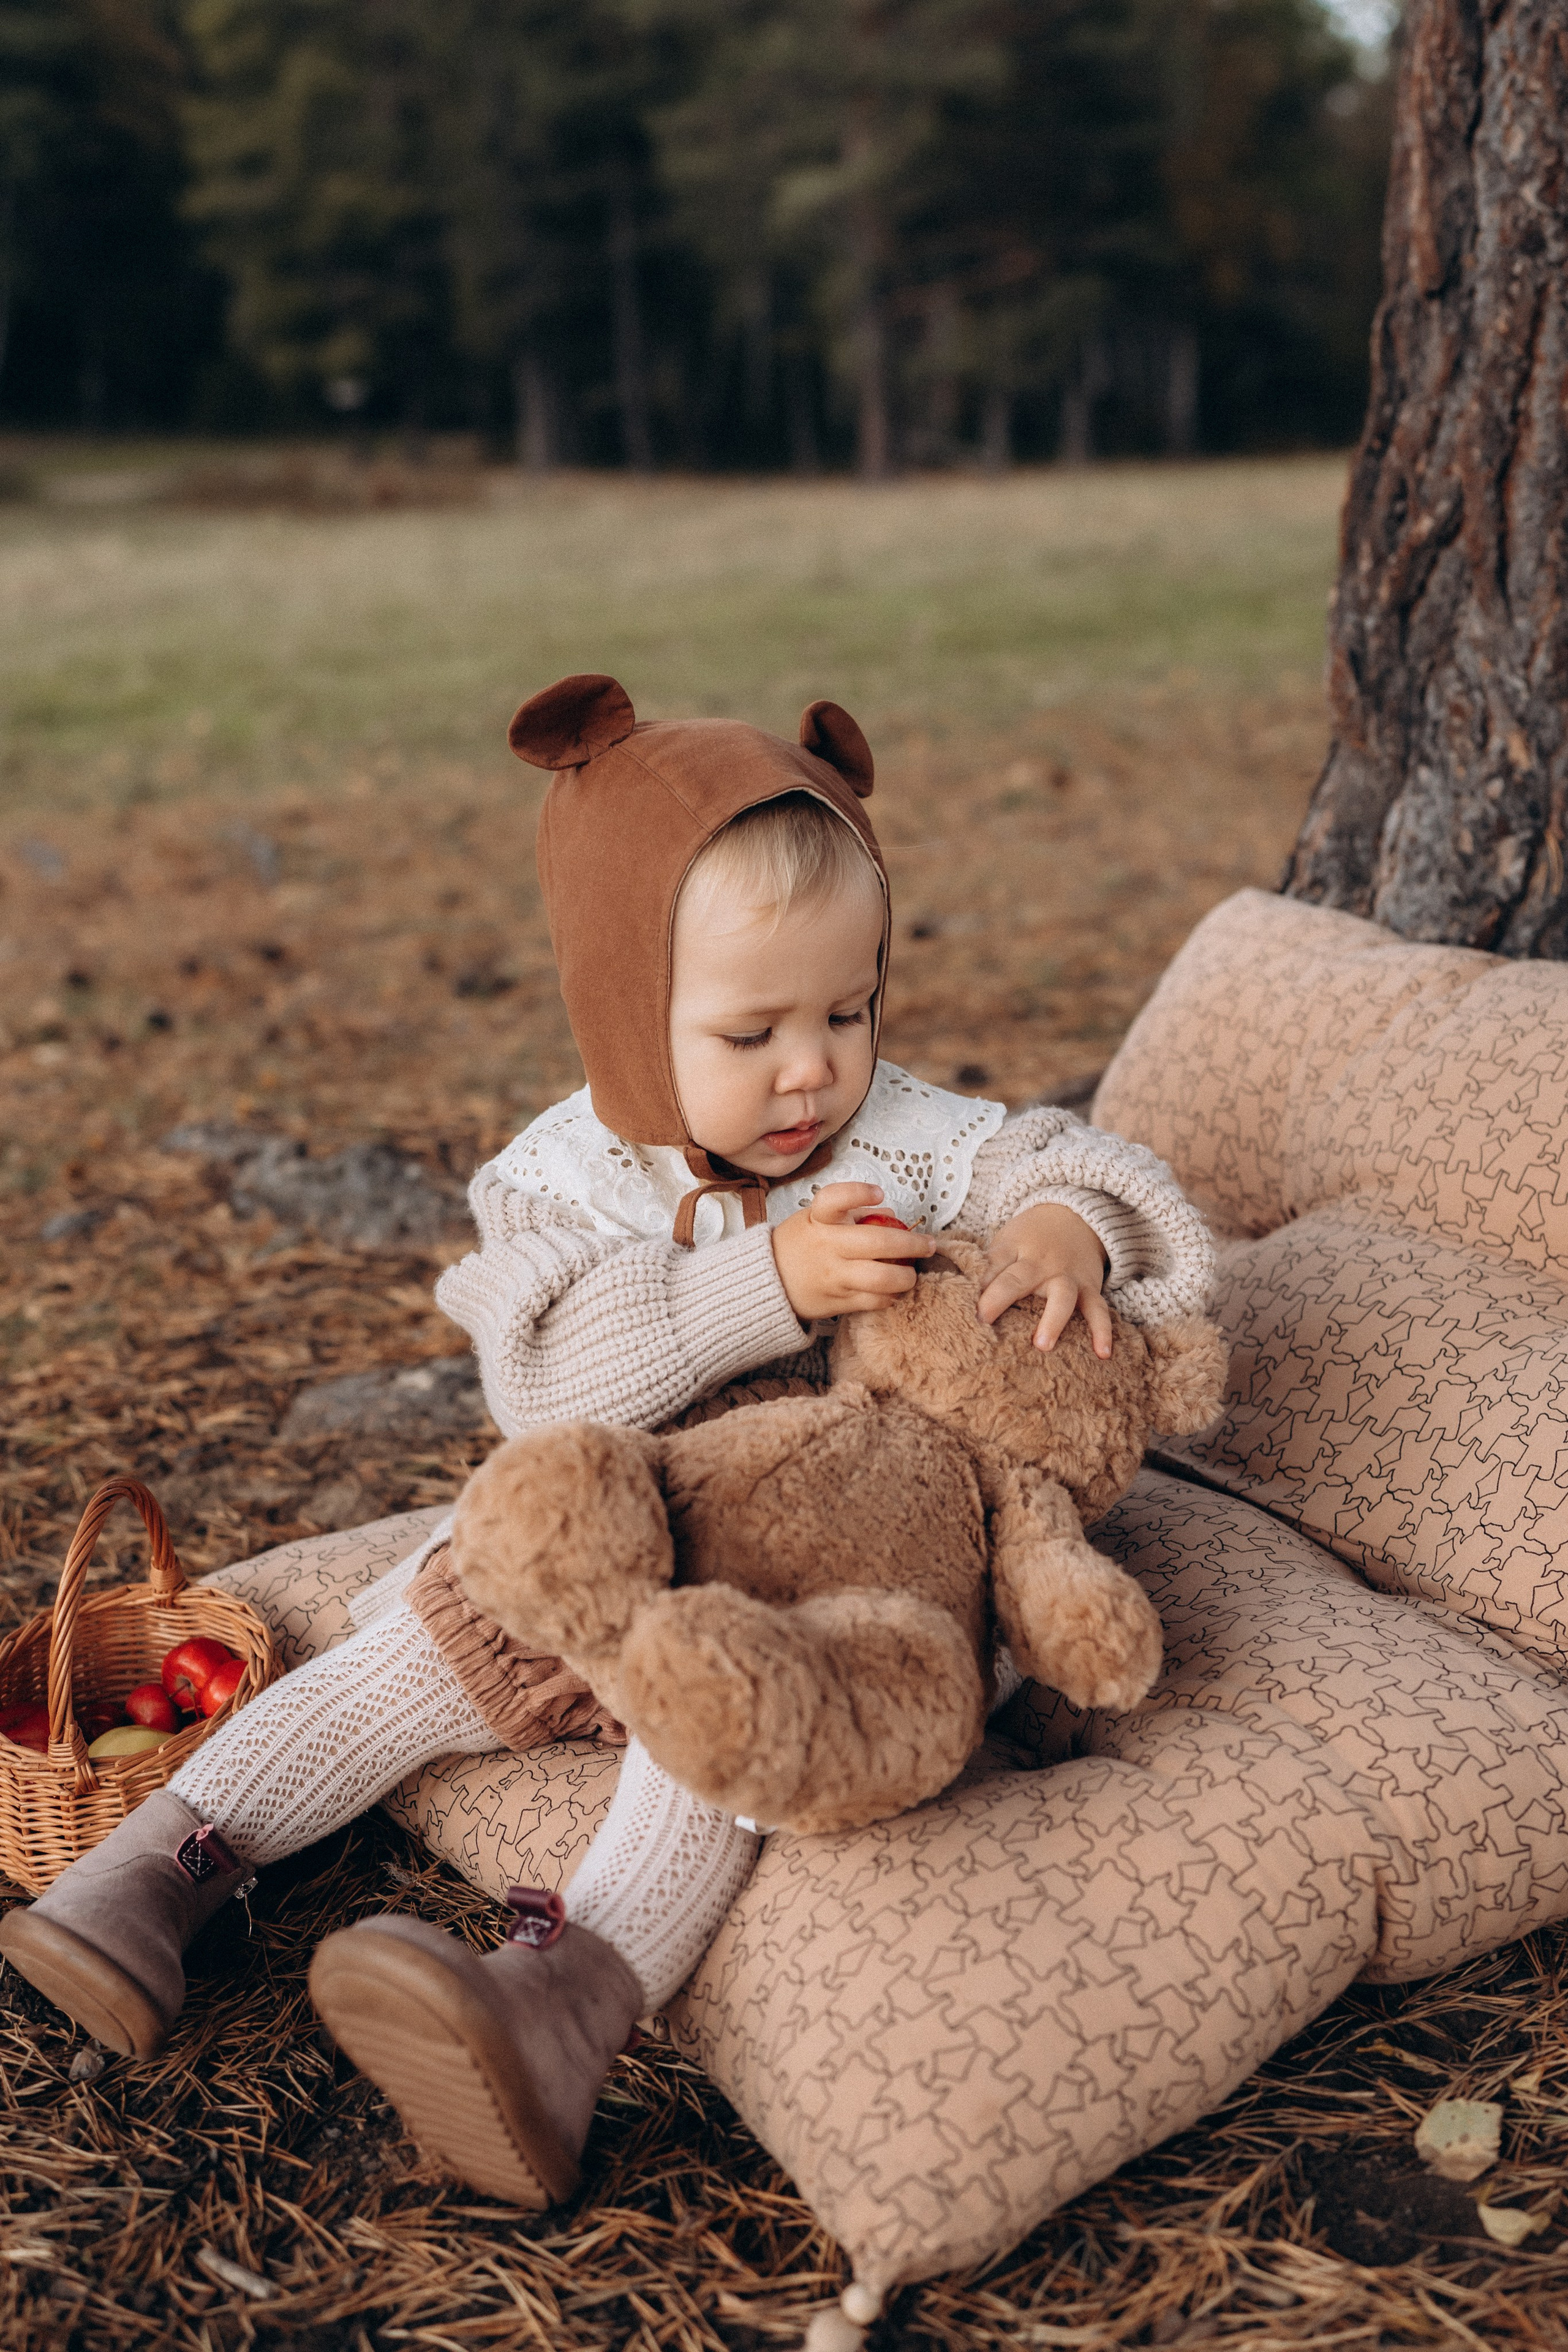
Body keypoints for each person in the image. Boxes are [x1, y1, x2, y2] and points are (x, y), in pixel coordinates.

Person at [0, 674, 1213, 2209]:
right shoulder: (563, 1180)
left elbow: (1084, 1155)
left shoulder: (901, 1135)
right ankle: (163, 1868)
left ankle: (554, 2009)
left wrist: (1060, 1229)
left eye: (849, 1012)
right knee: (422, 1648)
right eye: (750, 1028)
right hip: (606, 1529)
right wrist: (758, 1283)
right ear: (624, 1009)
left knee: (716, 1737)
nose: (809, 1070)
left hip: (796, 1567)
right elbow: (550, 1388)